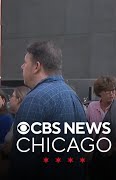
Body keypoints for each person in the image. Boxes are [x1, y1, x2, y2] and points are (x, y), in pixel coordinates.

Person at [10, 41, 88, 180]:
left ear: (36, 66)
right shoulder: (72, 95)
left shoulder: (35, 100)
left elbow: (23, 162)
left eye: (25, 62)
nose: (22, 66)